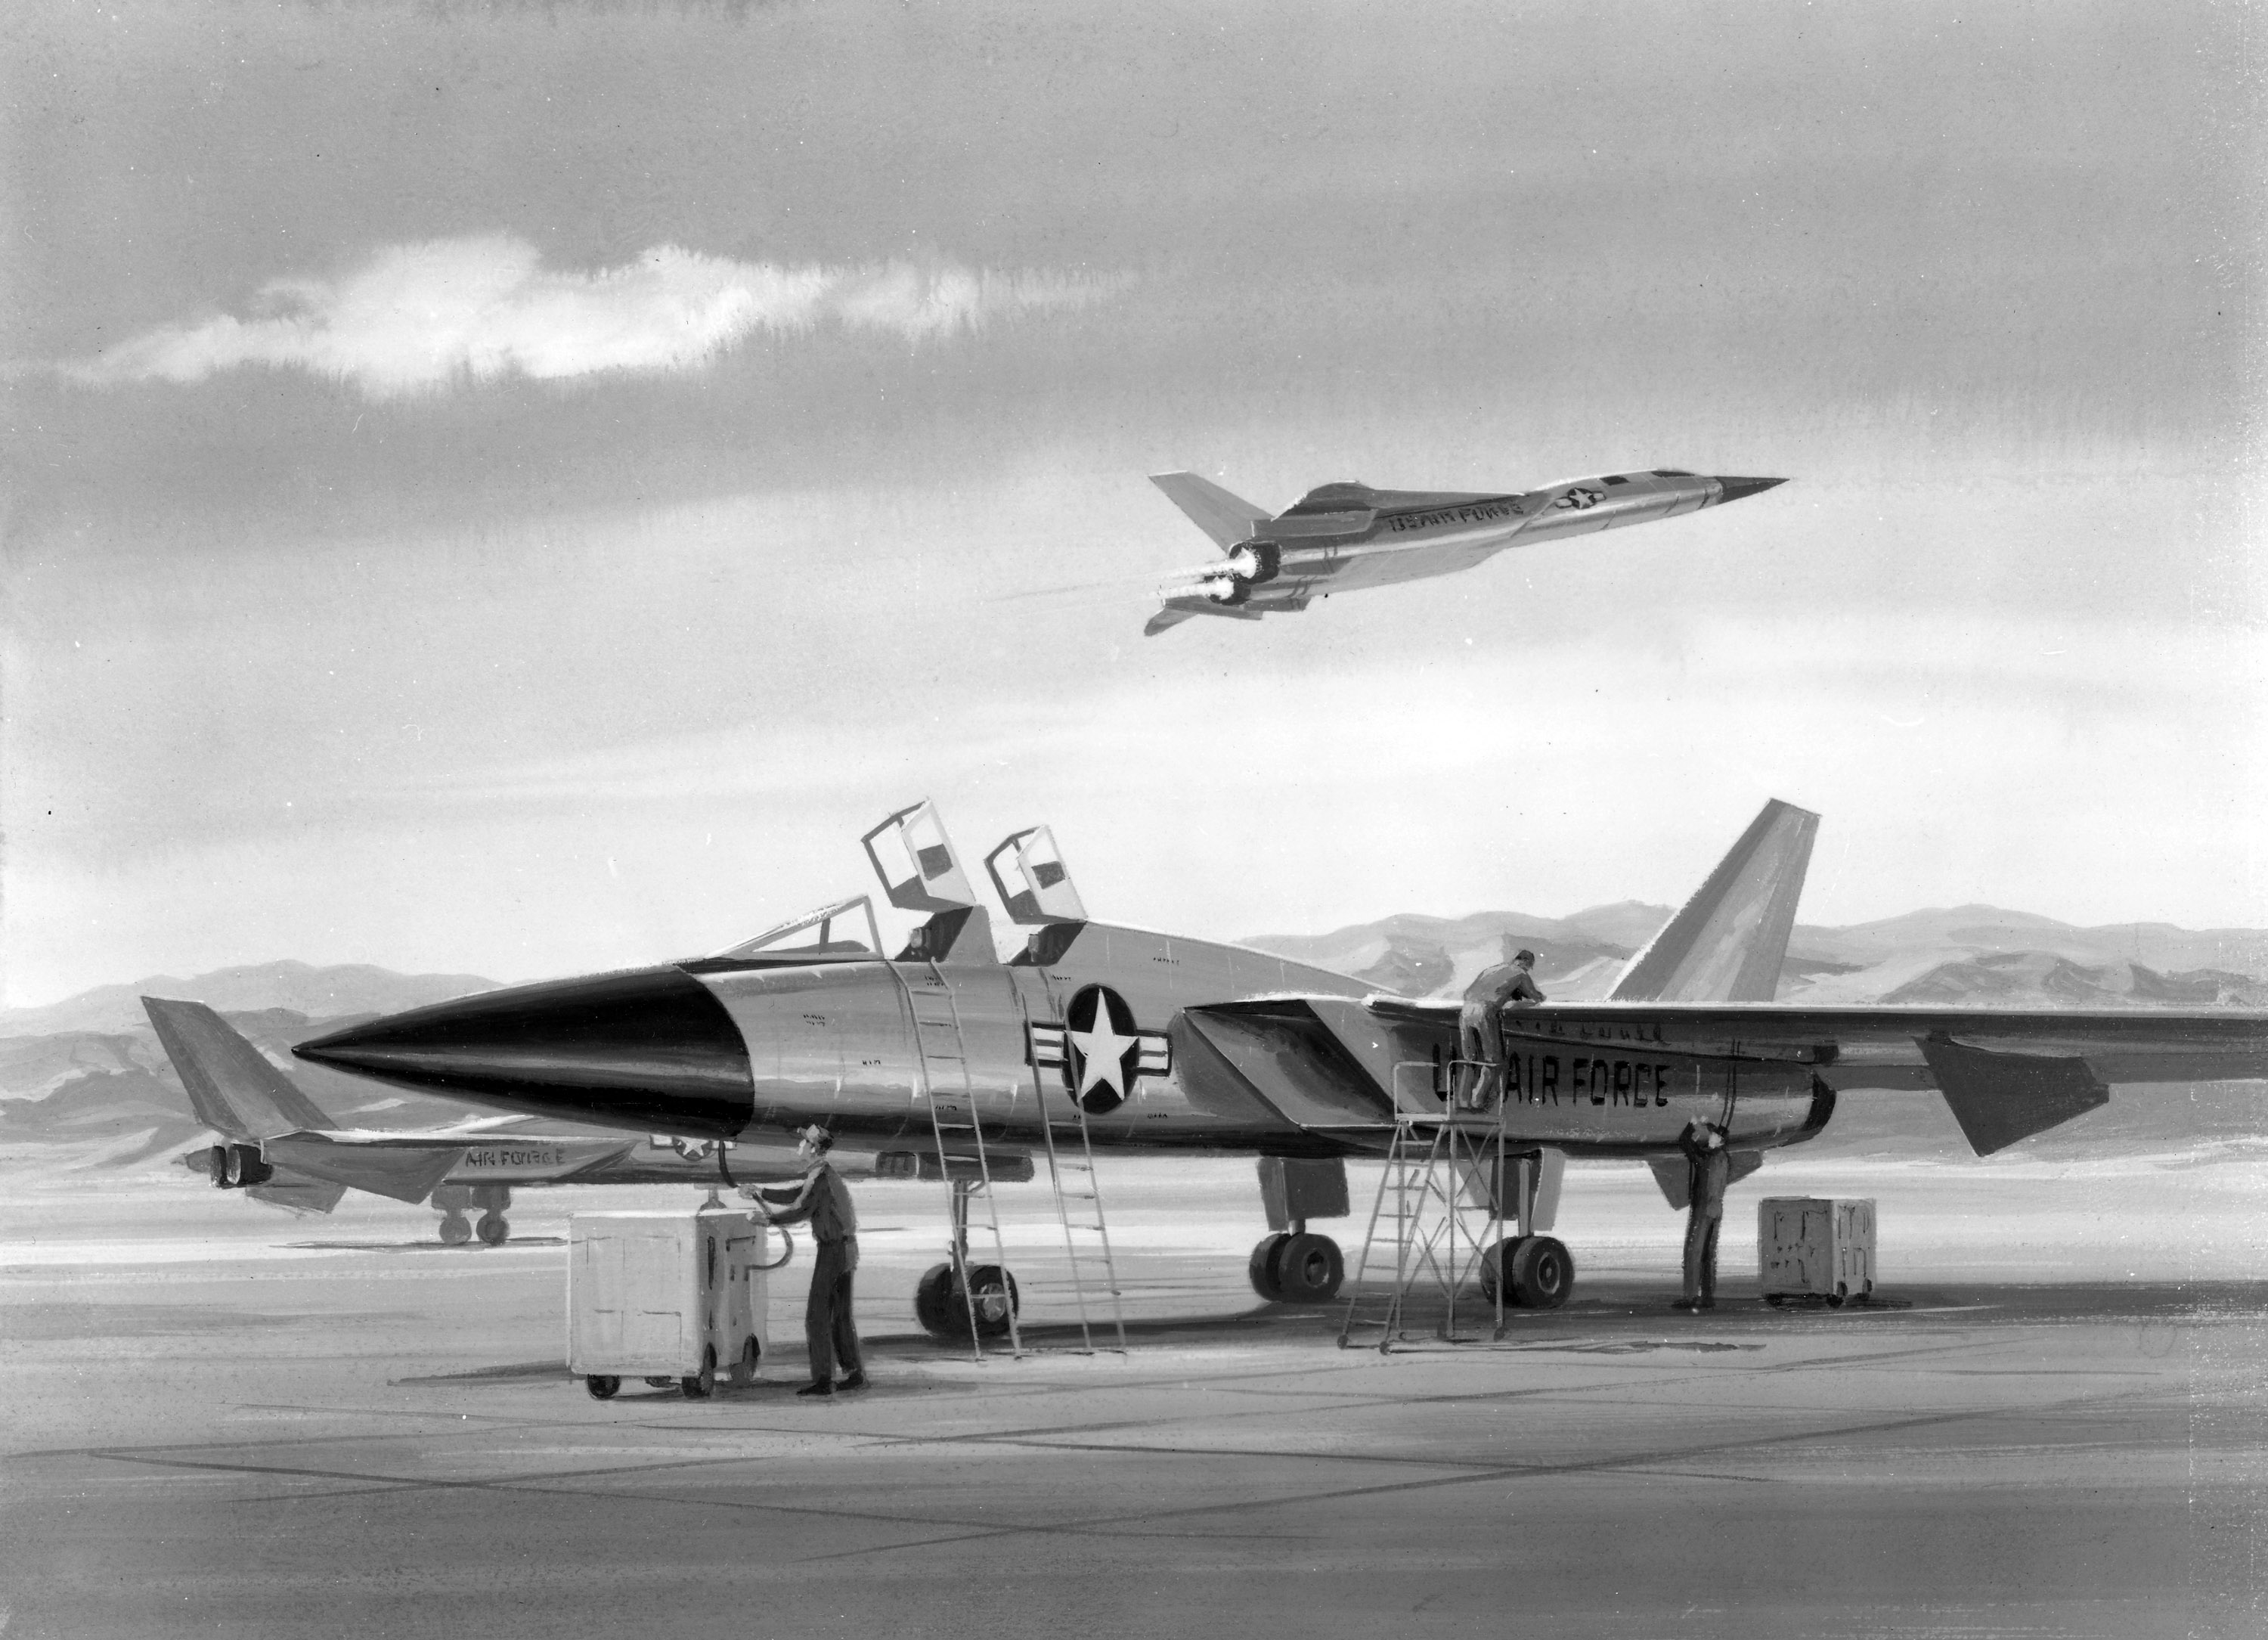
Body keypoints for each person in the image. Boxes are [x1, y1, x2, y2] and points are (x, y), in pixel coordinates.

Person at [748, 1125, 865, 1396]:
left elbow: (802, 1207)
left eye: (802, 1143)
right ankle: (854, 1373)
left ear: (813, 1148)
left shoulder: (820, 1179)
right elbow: (798, 1194)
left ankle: (824, 1380)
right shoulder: (821, 1174)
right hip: (845, 1249)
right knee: (840, 1316)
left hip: (834, 1251)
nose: (798, 1147)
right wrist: (761, 1191)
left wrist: (768, 1219)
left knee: (817, 1317)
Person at [1458, 944, 1545, 1109]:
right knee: (1493, 1061)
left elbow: (1467, 993)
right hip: (1485, 1011)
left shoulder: (1490, 970)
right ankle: (1477, 1100)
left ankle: (1462, 1100)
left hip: (1466, 1011)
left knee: (1469, 1059)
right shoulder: (1520, 974)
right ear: (1524, 961)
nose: (1529, 969)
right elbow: (1536, 997)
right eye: (1530, 965)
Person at [1674, 1121, 1731, 1311]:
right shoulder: (1723, 1158)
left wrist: (1691, 1124)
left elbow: (1685, 1144)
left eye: (1713, 1136)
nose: (1710, 1138)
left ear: (1719, 1140)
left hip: (1703, 1209)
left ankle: (1690, 1297)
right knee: (1709, 1255)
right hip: (1716, 1210)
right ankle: (1708, 1297)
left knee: (1693, 1253)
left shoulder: (1707, 1159)